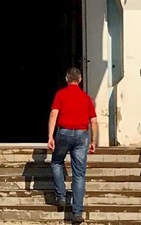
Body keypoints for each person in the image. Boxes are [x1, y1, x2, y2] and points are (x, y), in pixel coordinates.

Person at [46, 67, 95, 223]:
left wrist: (50, 136)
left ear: (67, 79)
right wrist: (93, 141)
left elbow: (54, 113)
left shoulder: (61, 94)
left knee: (56, 162)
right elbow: (93, 121)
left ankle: (61, 196)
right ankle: (77, 212)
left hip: (64, 133)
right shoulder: (86, 97)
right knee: (79, 174)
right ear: (80, 79)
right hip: (82, 135)